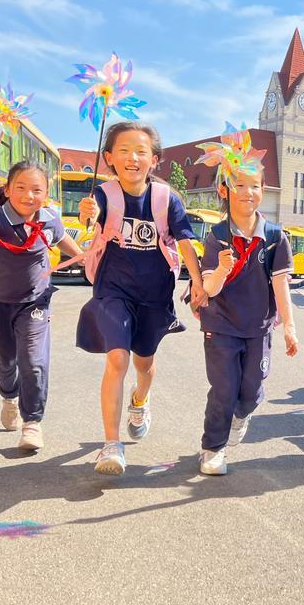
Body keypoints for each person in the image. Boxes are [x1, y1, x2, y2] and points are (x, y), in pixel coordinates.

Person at [75, 122, 204, 475]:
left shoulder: (166, 200)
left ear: (154, 160)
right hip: (112, 291)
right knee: (117, 358)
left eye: (141, 151)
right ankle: (111, 445)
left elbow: (186, 243)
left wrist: (197, 283)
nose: (133, 157)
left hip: (154, 295)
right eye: (124, 150)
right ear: (109, 158)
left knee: (143, 365)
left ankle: (140, 398)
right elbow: (94, 218)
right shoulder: (103, 194)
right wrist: (90, 215)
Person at [0, 161, 83, 450]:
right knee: (5, 362)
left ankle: (33, 422)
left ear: (46, 194)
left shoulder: (50, 218)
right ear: (8, 189)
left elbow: (66, 243)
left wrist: (89, 259)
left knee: (34, 362)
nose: (29, 196)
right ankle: (9, 398)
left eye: (37, 190)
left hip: (35, 302)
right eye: (21, 188)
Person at [195, 168, 298, 475]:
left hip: (258, 327)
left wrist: (289, 327)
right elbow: (209, 289)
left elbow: (281, 286)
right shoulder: (216, 237)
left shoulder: (275, 237)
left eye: (254, 185)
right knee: (224, 389)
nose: (247, 192)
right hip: (221, 325)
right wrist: (222, 270)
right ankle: (212, 449)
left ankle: (241, 415)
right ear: (226, 190)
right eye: (239, 184)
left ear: (263, 190)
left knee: (251, 391)